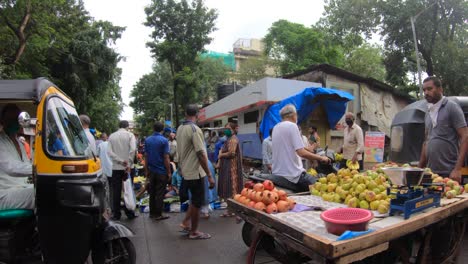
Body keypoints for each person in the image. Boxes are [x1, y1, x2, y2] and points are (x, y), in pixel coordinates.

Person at [419, 77, 468, 181]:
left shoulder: (451, 107)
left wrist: (458, 169)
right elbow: (426, 141)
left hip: (449, 173)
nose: (426, 93)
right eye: (424, 90)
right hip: (431, 173)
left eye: (429, 89)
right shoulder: (428, 113)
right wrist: (419, 169)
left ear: (440, 89)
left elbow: (465, 136)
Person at [177, 104, 214, 240]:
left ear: (185, 113)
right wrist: (209, 175)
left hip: (185, 172)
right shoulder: (194, 129)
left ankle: (186, 223)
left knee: (194, 201)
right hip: (195, 173)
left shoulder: (180, 128)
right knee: (197, 203)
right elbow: (200, 153)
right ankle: (194, 232)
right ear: (197, 115)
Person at [272, 104, 329, 192]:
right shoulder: (292, 126)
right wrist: (321, 158)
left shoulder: (276, 128)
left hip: (277, 174)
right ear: (293, 115)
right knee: (321, 188)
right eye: (296, 114)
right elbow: (301, 153)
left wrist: (308, 150)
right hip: (293, 175)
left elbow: (292, 146)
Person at [0, 104, 34, 210]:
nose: (13, 122)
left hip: (21, 188)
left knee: (49, 189)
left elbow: (27, 165)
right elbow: (11, 167)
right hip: (5, 193)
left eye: (15, 119)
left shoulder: (20, 143)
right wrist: (38, 168)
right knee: (41, 194)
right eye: (10, 119)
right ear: (2, 121)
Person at [107, 120, 137, 220]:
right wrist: (127, 163)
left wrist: (120, 161)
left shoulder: (112, 136)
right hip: (128, 168)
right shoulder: (130, 135)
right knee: (127, 189)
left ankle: (116, 214)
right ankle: (129, 212)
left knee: (116, 191)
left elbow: (109, 152)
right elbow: (133, 149)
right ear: (127, 127)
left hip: (116, 167)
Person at [144, 121, 171, 221]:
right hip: (161, 171)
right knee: (160, 192)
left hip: (151, 170)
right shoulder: (164, 141)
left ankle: (152, 213)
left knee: (152, 192)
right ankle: (158, 214)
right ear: (162, 129)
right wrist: (169, 172)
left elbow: (146, 156)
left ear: (153, 128)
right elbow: (166, 157)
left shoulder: (148, 140)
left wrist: (146, 170)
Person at [218, 122, 243, 217]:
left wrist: (221, 155)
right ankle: (229, 211)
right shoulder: (228, 139)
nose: (226, 130)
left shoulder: (233, 139)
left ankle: (234, 211)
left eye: (228, 128)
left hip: (232, 168)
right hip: (227, 166)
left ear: (232, 129)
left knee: (232, 189)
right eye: (225, 128)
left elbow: (232, 153)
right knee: (227, 188)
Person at [97, 133, 113, 210]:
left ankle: (105, 204)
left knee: (104, 187)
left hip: (102, 169)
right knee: (110, 186)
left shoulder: (99, 145)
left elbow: (97, 155)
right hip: (110, 168)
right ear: (106, 137)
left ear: (101, 138)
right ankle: (110, 203)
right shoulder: (110, 145)